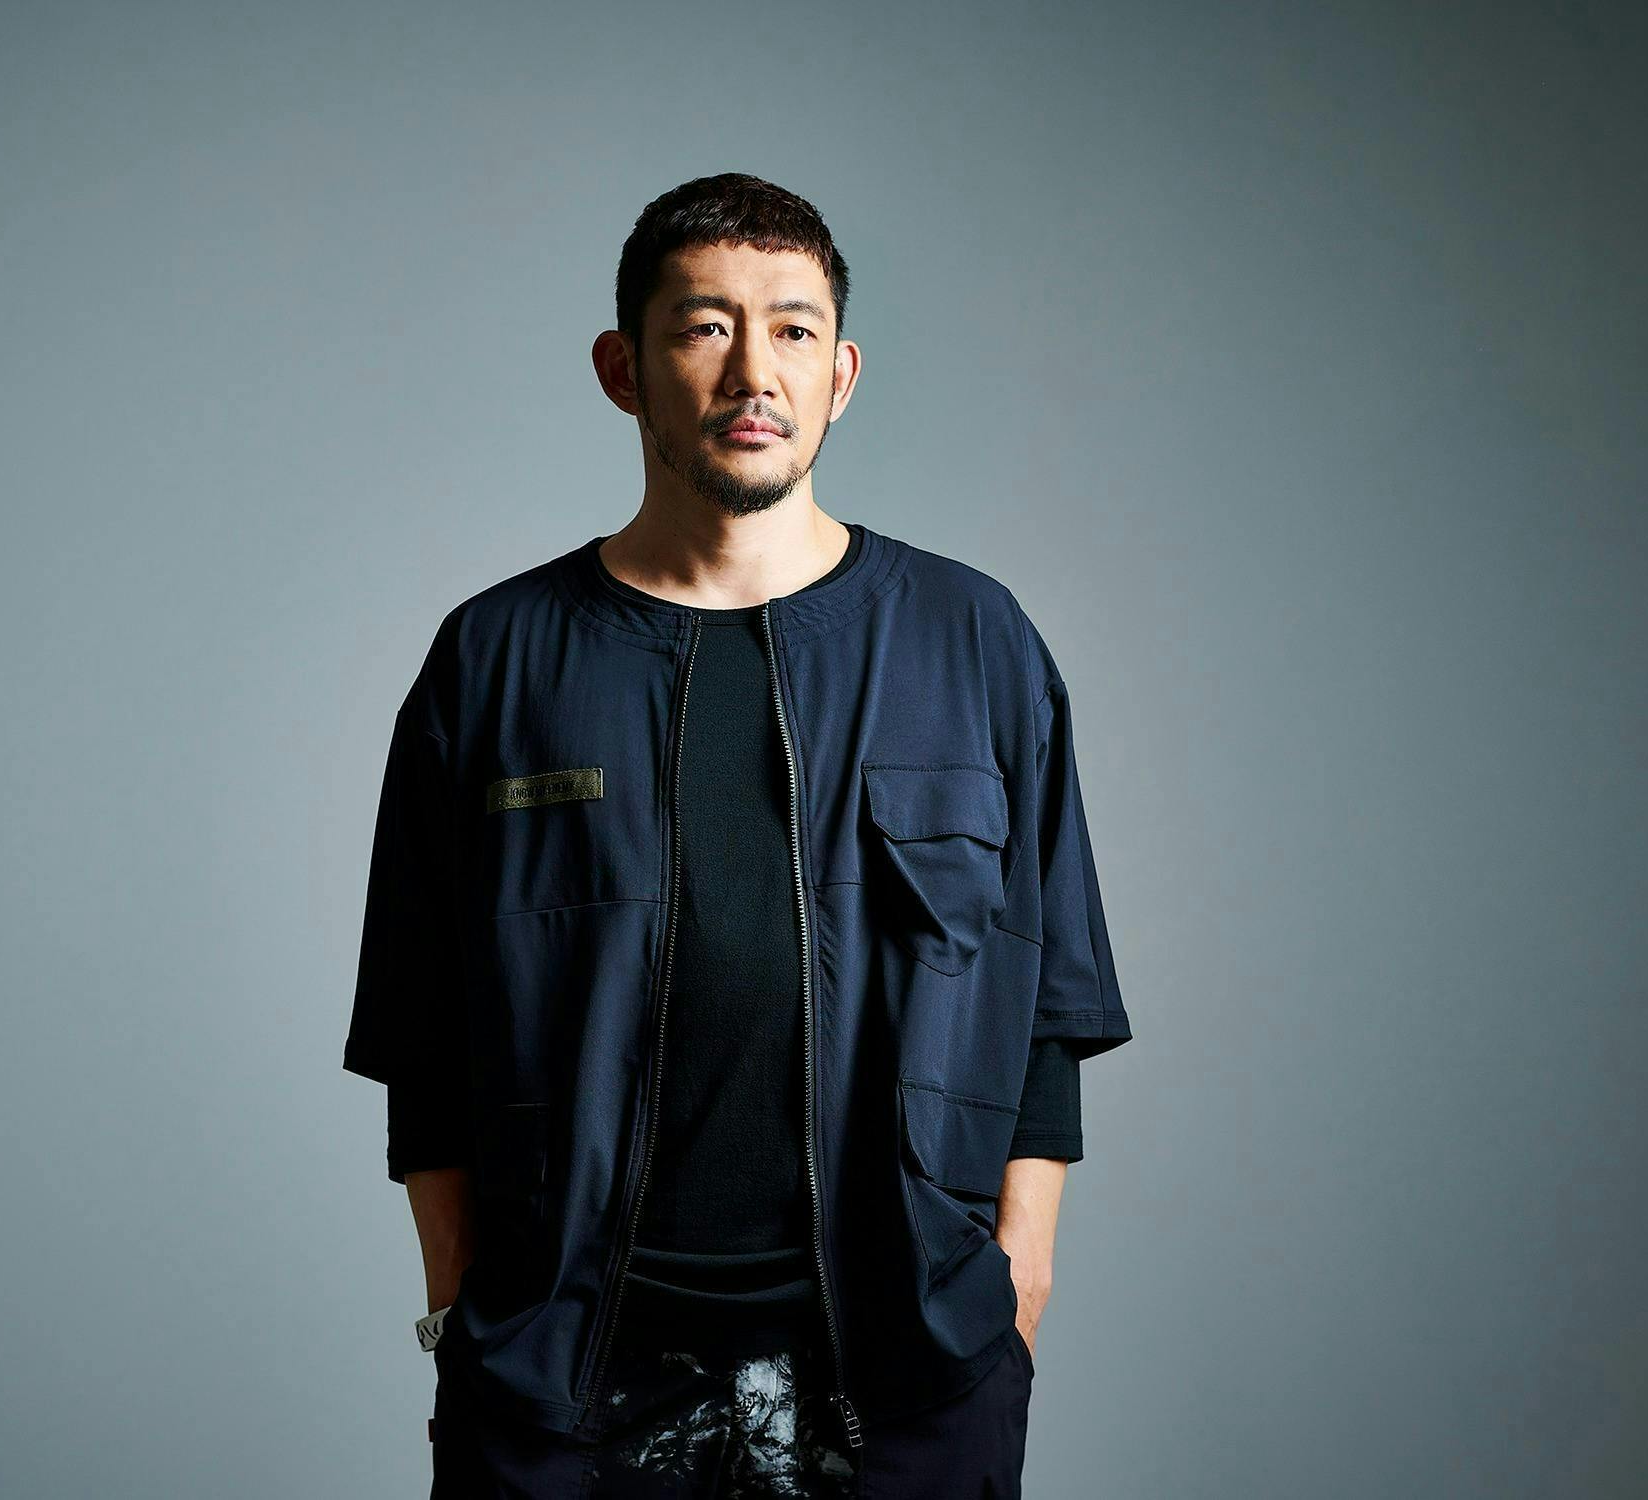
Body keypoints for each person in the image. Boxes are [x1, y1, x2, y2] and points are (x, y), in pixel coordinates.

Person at [344, 173, 1133, 1497]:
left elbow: (1047, 998)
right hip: (567, 1383)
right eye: (704, 327)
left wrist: (1017, 1288)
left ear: (842, 375)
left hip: (905, 1372)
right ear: (624, 369)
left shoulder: (973, 642)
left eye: (793, 330)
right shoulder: (496, 658)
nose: (752, 370)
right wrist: (463, 1310)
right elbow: (419, 1030)